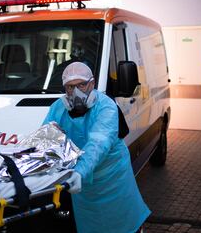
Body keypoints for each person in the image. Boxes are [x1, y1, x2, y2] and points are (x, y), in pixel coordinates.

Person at [42, 62, 150, 233]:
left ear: (92, 84)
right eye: (70, 87)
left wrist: (79, 171)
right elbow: (45, 139)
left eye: (82, 85)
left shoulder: (106, 107)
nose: (76, 92)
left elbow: (98, 144)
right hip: (83, 184)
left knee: (122, 223)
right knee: (90, 224)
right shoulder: (58, 108)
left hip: (112, 178)